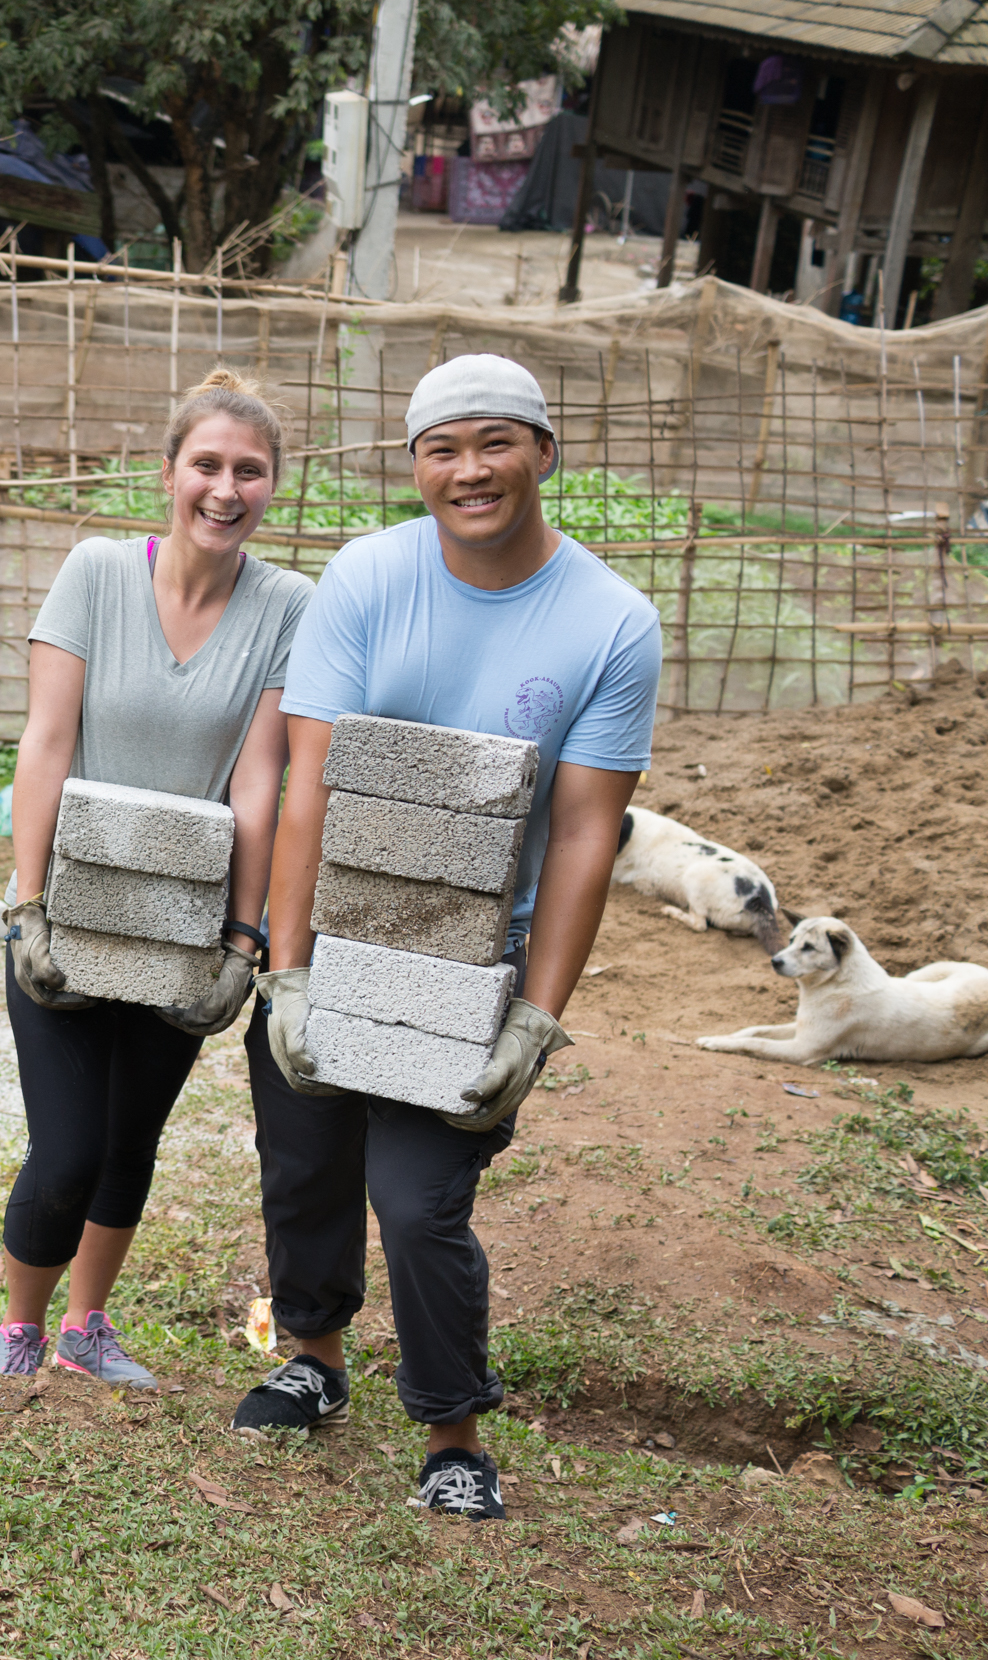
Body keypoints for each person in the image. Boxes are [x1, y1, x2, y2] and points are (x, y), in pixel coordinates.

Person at [236, 355, 660, 1521]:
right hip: (336, 940)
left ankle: (451, 1425)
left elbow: (582, 830)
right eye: (442, 448)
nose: (468, 470)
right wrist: (289, 973)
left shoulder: (611, 621)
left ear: (544, 450)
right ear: (414, 465)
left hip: (472, 962)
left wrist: (535, 1013)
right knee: (306, 1156)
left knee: (419, 1197)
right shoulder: (367, 577)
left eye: (495, 442)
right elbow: (306, 781)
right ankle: (313, 1358)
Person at [0, 369, 313, 1384]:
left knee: (132, 1137)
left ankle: (87, 1326)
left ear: (273, 487)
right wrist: (26, 901)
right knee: (67, 1146)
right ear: (168, 472)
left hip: (184, 922)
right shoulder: (93, 572)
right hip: (72, 912)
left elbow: (260, 781)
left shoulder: (286, 605)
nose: (225, 488)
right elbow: (44, 743)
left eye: (249, 471)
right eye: (206, 464)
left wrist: (240, 939)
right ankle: (19, 1326)